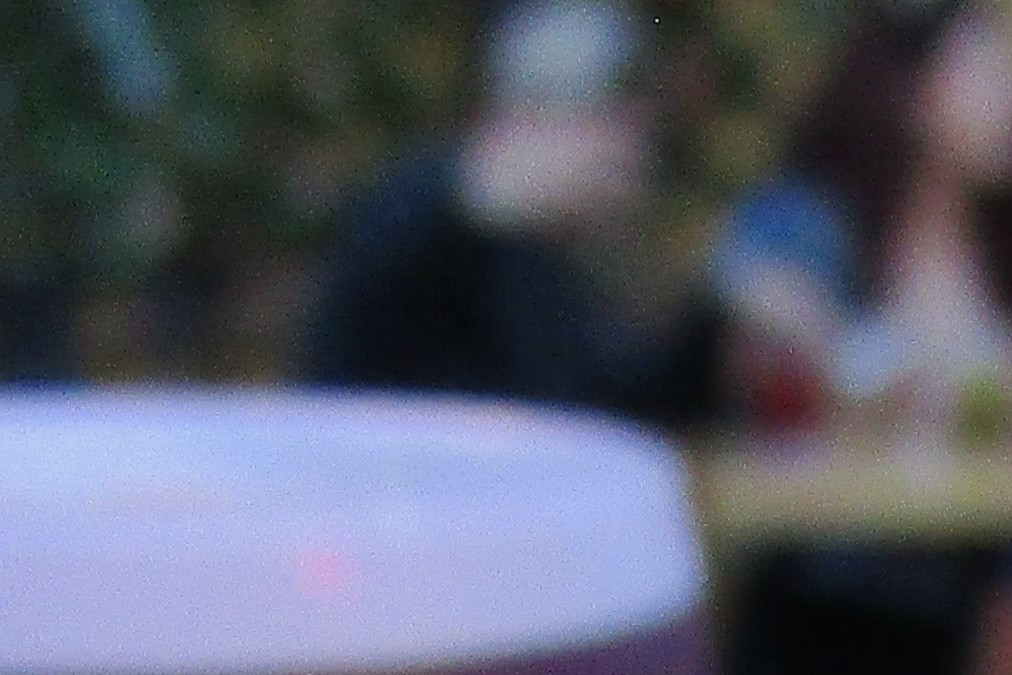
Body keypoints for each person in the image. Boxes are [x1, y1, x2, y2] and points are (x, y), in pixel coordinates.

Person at [713, 0, 1012, 433]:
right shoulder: (814, 224)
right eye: (987, 74)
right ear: (913, 88)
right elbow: (741, 291)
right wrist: (848, 356)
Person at [298, 0, 718, 427]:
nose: (626, 147)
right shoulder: (428, 223)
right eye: (604, 118)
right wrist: (472, 193)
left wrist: (717, 323)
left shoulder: (546, 269)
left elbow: (607, 406)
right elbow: (361, 299)